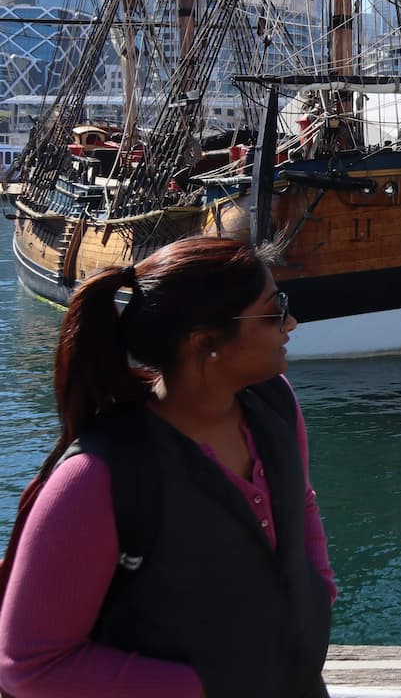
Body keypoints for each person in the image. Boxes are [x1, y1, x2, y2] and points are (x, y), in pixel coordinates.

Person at [0, 237, 336, 697]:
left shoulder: (274, 403)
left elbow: (300, 502)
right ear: (205, 342)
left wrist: (317, 596)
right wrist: (205, 689)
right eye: (273, 310)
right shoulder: (96, 479)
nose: (291, 322)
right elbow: (29, 667)